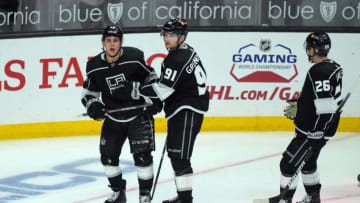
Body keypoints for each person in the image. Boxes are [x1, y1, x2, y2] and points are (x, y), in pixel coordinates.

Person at [255, 32, 343, 203]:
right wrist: (302, 103)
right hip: (319, 129)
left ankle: (284, 200)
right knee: (308, 164)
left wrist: (317, 131)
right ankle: (313, 198)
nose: (308, 51)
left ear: (314, 49)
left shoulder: (319, 71)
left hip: (312, 131)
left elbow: (325, 107)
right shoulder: (333, 67)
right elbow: (323, 100)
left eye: (309, 48)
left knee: (288, 164)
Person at [81, 25, 162, 203]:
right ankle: (118, 192)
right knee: (108, 158)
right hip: (113, 116)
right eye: (108, 40)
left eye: (115, 41)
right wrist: (93, 106)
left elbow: (151, 78)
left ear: (121, 43)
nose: (112, 44)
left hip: (138, 113)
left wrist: (152, 96)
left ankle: (144, 195)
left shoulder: (134, 58)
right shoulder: (94, 67)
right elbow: (88, 94)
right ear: (103, 43)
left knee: (142, 157)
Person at [138, 18, 210, 203]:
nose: (167, 39)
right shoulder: (187, 50)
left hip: (186, 111)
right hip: (186, 110)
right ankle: (184, 197)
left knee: (180, 158)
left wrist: (138, 89)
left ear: (182, 37)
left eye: (172, 35)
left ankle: (186, 200)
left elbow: (162, 90)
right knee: (177, 156)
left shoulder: (176, 59)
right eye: (166, 35)